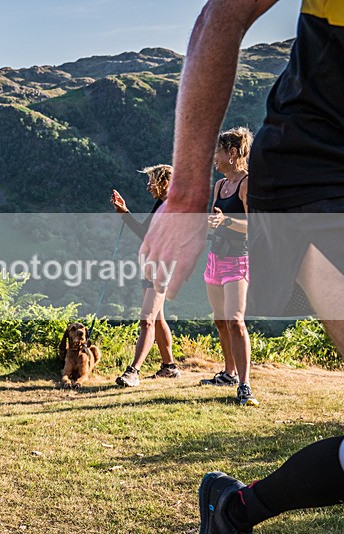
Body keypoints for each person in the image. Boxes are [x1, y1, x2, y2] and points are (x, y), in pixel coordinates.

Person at [139, 0, 344, 531]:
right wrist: (186, 195)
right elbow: (221, 15)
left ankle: (235, 510)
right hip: (320, 171)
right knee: (226, 320)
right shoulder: (237, 182)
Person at [201, 127, 258, 406]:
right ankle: (229, 373)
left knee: (235, 320)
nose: (214, 157)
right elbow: (215, 217)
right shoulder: (219, 186)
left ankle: (245, 385)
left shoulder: (247, 183)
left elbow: (254, 227)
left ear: (232, 153)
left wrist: (226, 222)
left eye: (218, 152)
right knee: (220, 320)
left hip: (238, 260)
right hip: (216, 258)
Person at [111, 165, 180, 387]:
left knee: (147, 319)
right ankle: (169, 367)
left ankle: (133, 372)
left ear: (165, 183)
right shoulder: (162, 204)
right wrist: (125, 214)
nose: (148, 186)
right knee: (157, 318)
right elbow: (146, 234)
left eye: (152, 181)